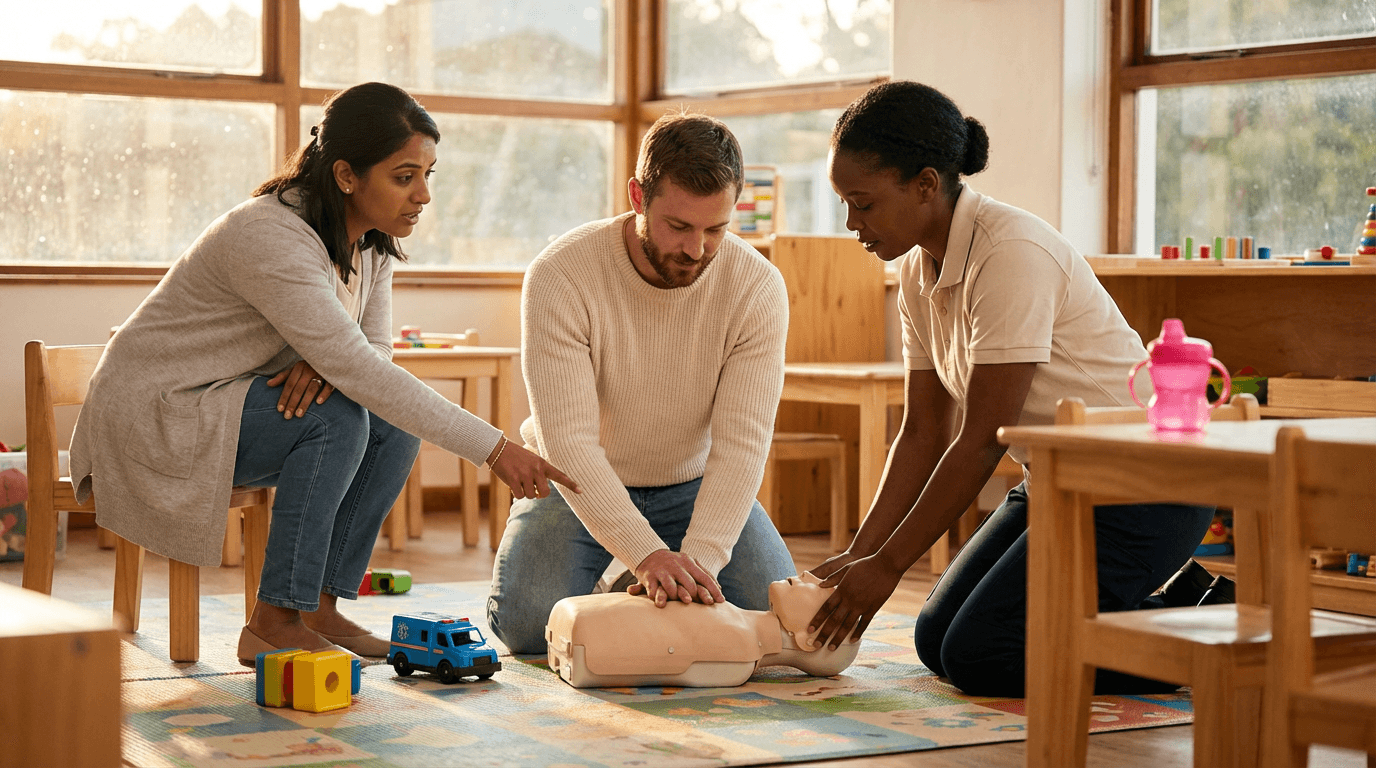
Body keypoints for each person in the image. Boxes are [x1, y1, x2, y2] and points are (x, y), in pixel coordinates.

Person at [68, 82, 578, 666]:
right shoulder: (271, 233)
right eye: (405, 176)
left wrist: (328, 360)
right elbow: (360, 363)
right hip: (158, 412)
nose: (424, 195)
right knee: (337, 420)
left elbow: (374, 354)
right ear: (345, 175)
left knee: (389, 422)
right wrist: (493, 449)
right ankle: (275, 620)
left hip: (225, 401)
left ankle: (318, 607)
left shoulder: (371, 246)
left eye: (429, 174)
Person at [804, 81, 1215, 697]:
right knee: (935, 640)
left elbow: (979, 441)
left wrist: (890, 566)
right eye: (845, 203)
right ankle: (1151, 612)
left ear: (924, 185)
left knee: (983, 655)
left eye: (862, 203)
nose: (851, 222)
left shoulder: (1010, 251)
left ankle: (1200, 632)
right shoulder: (919, 269)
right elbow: (922, 432)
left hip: (1143, 490)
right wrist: (864, 554)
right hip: (1059, 481)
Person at [485, 112, 798, 654]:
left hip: (692, 481)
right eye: (679, 226)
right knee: (528, 627)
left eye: (716, 229)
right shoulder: (560, 274)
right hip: (575, 482)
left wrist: (696, 566)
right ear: (638, 196)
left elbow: (742, 444)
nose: (697, 250)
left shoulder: (757, 287)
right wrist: (647, 554)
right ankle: (629, 572)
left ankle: (630, 584)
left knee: (769, 617)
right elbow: (569, 443)